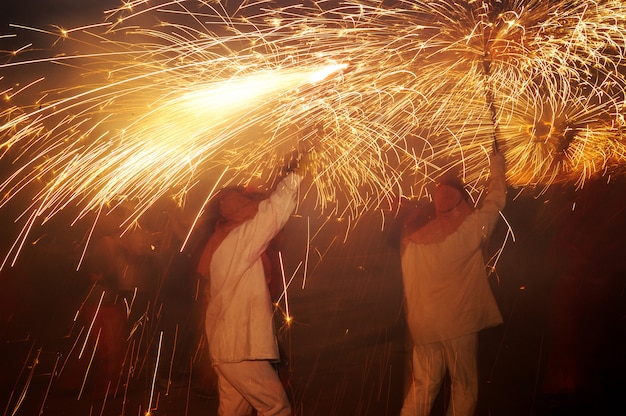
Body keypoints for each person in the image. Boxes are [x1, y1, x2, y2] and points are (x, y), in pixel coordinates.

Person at [196, 154, 311, 416]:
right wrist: (294, 175)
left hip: (227, 350)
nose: (254, 207)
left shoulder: (220, 239)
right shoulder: (238, 239)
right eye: (248, 205)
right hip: (240, 350)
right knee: (276, 407)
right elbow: (273, 214)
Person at [400, 144, 507, 416]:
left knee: (424, 385)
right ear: (462, 200)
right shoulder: (466, 233)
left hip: (422, 325)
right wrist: (496, 164)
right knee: (464, 386)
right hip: (456, 323)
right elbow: (495, 201)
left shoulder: (415, 242)